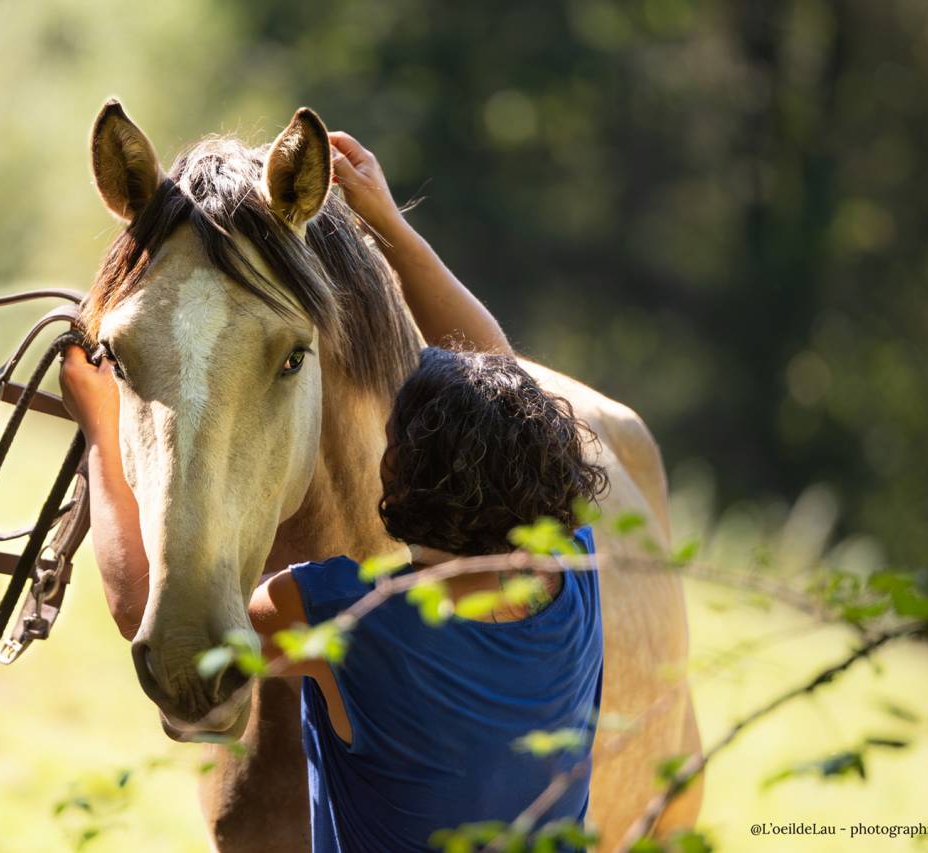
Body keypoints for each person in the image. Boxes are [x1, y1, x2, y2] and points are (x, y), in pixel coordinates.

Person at [61, 131, 608, 852]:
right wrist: (394, 228)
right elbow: (507, 385)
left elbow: (171, 628)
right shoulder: (575, 572)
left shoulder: (346, 615)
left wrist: (102, 426)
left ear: (398, 483)